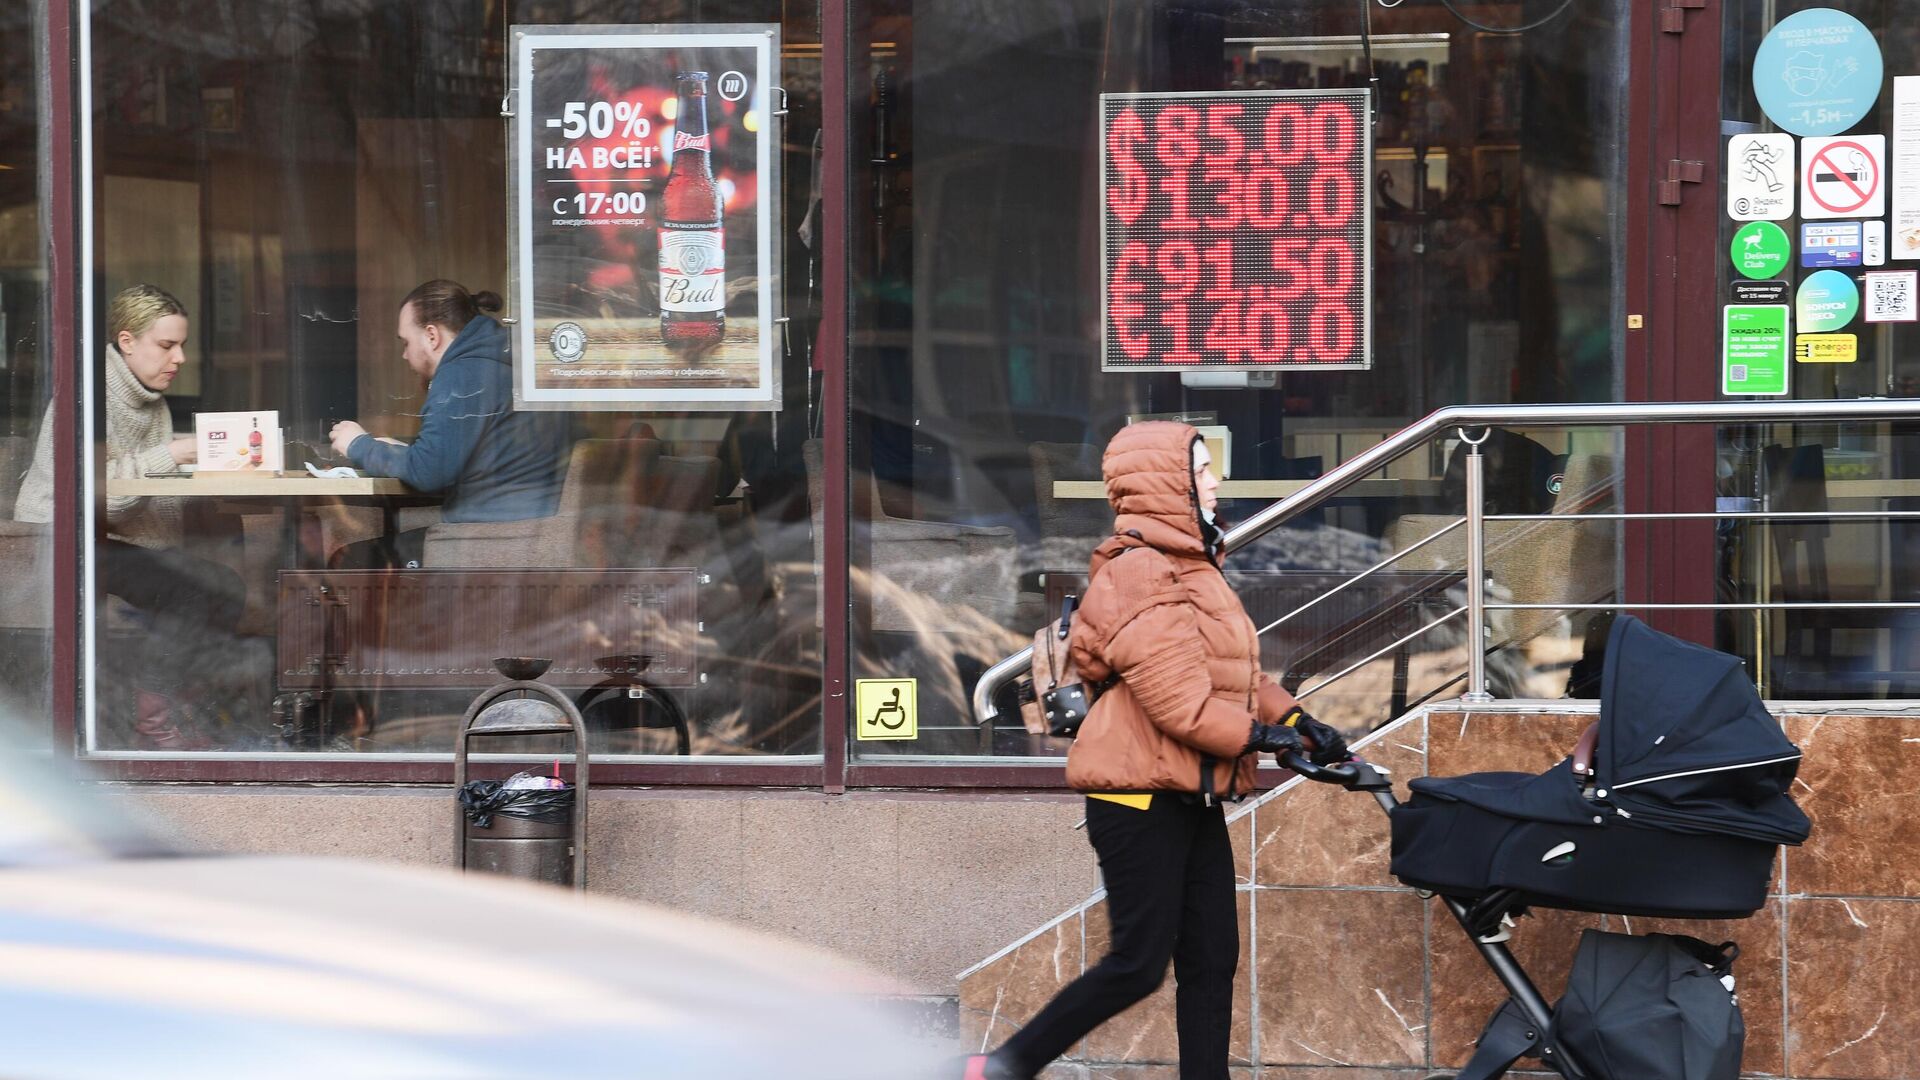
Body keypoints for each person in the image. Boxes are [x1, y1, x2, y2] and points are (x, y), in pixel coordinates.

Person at [959, 422, 1349, 1080]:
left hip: (1188, 790)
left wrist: (1299, 718)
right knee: (1138, 963)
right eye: (1200, 471)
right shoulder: (1138, 573)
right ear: (1164, 485)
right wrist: (1265, 739)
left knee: (1211, 957)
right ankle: (1001, 1066)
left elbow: (1236, 678)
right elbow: (1180, 707)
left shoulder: (1194, 568)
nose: (1215, 482)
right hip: (1135, 795)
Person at [15, 284, 255, 748]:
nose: (179, 358)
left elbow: (146, 493)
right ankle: (155, 722)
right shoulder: (91, 395)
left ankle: (175, 708)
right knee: (192, 590)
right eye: (167, 345)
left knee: (224, 587)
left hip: (113, 537)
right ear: (127, 342)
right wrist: (172, 454)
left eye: (181, 345)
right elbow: (100, 497)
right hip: (63, 533)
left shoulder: (149, 398)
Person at [328, 280, 569, 567]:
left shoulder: (461, 373)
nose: (405, 354)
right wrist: (404, 451)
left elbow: (429, 472)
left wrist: (358, 445)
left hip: (490, 538)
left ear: (431, 335)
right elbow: (464, 452)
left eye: (406, 342)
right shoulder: (501, 363)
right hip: (531, 528)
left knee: (348, 562)